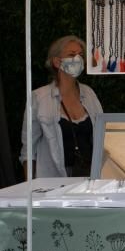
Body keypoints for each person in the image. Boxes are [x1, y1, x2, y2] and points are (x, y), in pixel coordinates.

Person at [20, 35, 104, 179]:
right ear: (57, 62)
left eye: (81, 55)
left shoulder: (89, 94)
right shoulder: (39, 98)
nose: (78, 59)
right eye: (71, 54)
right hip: (53, 181)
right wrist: (30, 189)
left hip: (91, 179)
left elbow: (103, 136)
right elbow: (28, 150)